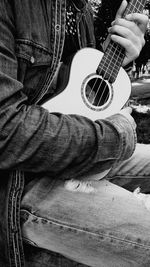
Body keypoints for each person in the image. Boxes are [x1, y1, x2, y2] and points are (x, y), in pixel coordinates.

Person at [0, 0, 149, 266]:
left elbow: (75, 95)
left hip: (72, 160)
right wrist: (118, 136)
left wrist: (111, 62)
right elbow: (5, 130)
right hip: (18, 183)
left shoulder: (79, 11)